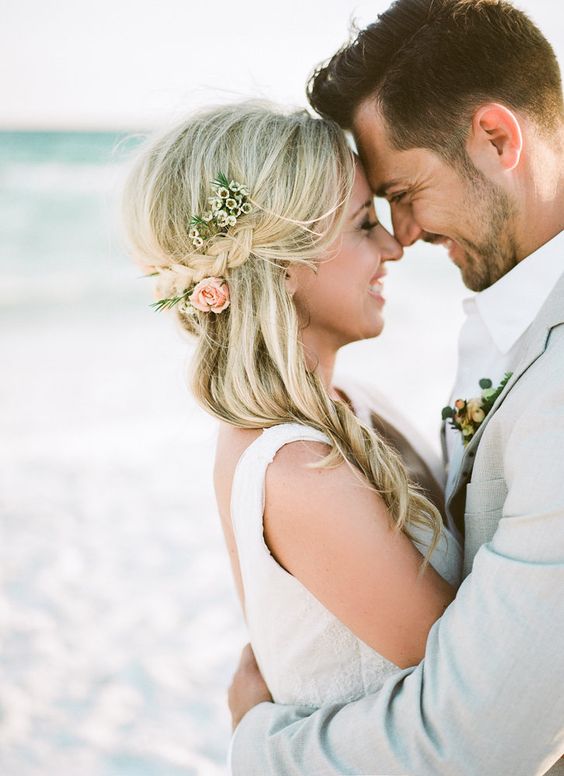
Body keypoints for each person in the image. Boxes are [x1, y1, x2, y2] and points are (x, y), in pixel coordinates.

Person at [227, 0, 564, 774]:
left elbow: (478, 739)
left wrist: (259, 744)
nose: (402, 235)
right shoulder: (512, 305)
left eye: (404, 193)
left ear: (496, 137)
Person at [122, 102, 464, 731]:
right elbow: (475, 694)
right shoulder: (299, 471)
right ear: (280, 265)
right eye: (364, 224)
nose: (393, 245)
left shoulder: (353, 403)